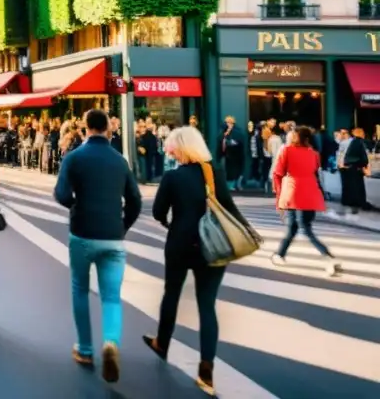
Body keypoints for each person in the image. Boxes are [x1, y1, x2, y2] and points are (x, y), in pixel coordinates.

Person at [143, 126, 252, 396]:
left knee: (171, 294)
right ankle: (206, 370)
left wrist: (170, 221)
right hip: (212, 247)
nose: (172, 153)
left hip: (180, 244)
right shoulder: (215, 172)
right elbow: (228, 206)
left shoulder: (172, 178)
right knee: (207, 305)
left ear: (181, 148)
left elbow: (158, 212)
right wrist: (246, 232)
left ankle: (162, 343)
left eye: (173, 148)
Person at [54, 108, 141, 384]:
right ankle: (111, 342)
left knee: (80, 288)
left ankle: (85, 349)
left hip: (82, 234)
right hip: (113, 236)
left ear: (85, 127)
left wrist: (76, 207)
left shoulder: (74, 157)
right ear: (108, 129)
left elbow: (61, 194)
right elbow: (136, 201)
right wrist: (122, 226)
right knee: (112, 296)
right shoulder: (120, 161)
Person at [272, 125, 340, 277]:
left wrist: (278, 197)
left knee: (301, 227)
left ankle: (328, 256)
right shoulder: (314, 154)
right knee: (296, 227)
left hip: (292, 193)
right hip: (309, 194)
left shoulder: (287, 151)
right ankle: (280, 254)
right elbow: (316, 175)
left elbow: (277, 174)